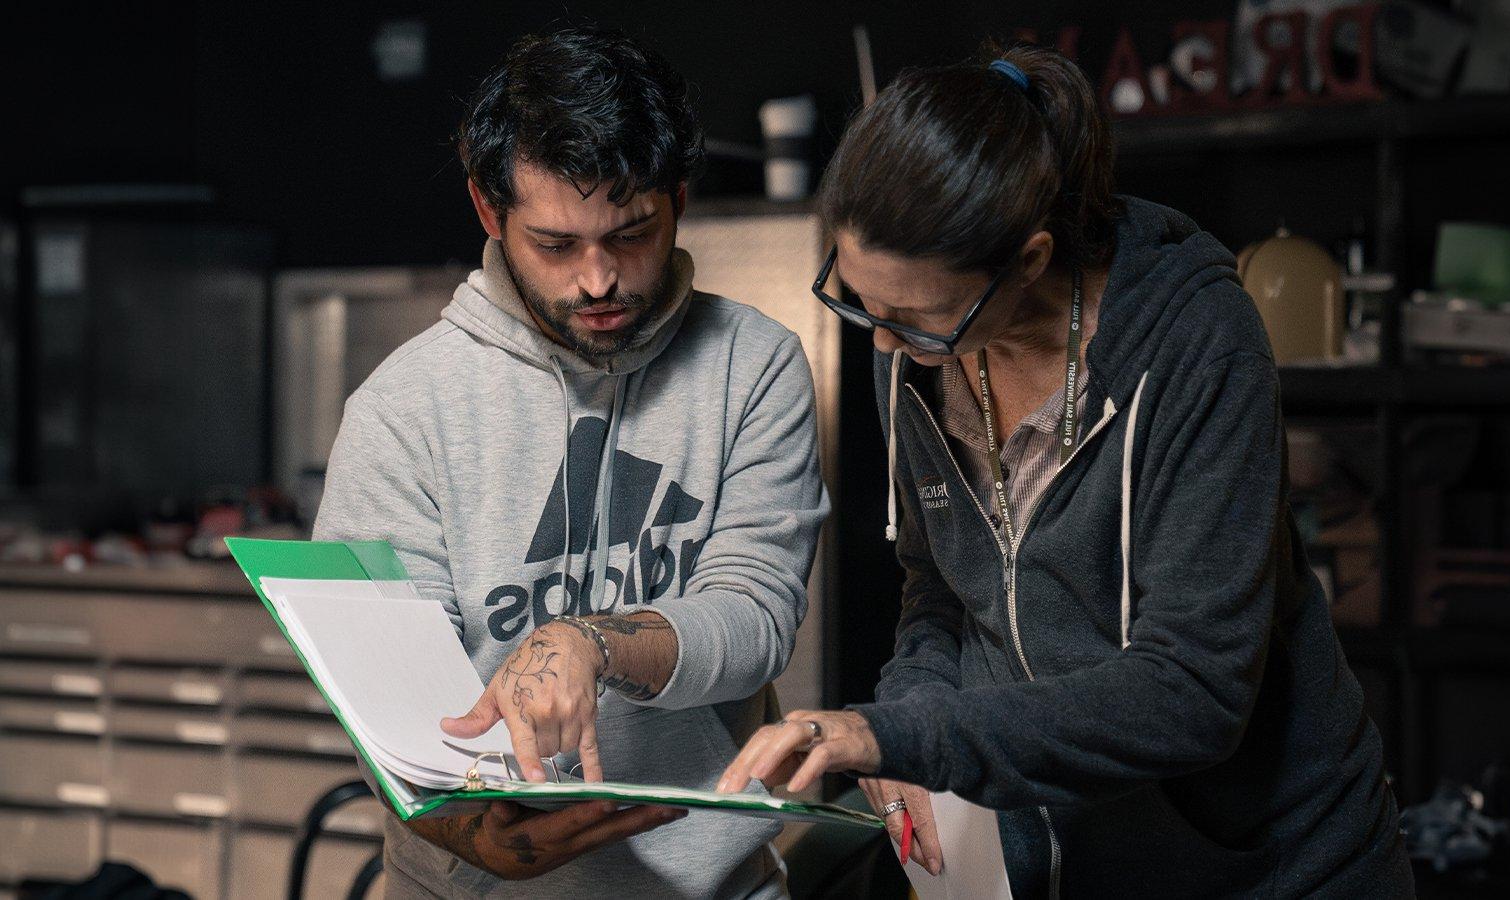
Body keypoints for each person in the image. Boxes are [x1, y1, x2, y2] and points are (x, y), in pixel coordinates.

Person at [717, 45, 1413, 898]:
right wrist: (902, 714)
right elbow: (939, 590)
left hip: (1271, 868)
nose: (885, 342)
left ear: (1033, 261)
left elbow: (1195, 691)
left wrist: (904, 737)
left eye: (918, 317)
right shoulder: (910, 351)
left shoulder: (1195, 345)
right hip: (1078, 862)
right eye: (859, 300)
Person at [315, 27, 827, 898]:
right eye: (556, 245)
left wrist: (592, 642)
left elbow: (754, 618)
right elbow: (387, 691)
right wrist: (481, 841)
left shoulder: (755, 363)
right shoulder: (400, 411)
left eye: (630, 235)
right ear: (489, 212)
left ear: (679, 197)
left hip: (713, 883)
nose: (598, 280)